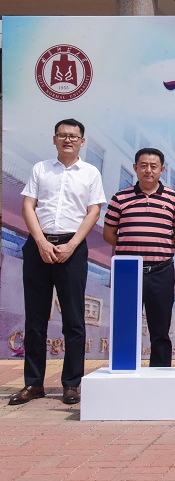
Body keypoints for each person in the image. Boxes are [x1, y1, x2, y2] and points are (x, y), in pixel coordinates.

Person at [10, 118, 106, 406]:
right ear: (54, 139)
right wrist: (41, 242)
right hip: (39, 245)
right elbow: (28, 205)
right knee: (35, 319)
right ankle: (33, 383)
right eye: (62, 135)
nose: (68, 140)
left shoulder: (90, 173)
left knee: (74, 320)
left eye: (73, 136)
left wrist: (72, 245)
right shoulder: (41, 168)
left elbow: (93, 211)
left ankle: (71, 384)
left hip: (72, 248)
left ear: (82, 142)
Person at [104, 148, 175, 368]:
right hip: (128, 271)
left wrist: (161, 248)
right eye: (143, 165)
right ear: (135, 168)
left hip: (161, 271)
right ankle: (124, 371)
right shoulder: (120, 198)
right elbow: (109, 233)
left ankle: (160, 375)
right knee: (125, 326)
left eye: (153, 166)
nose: (148, 170)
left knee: (160, 330)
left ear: (162, 169)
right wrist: (129, 248)